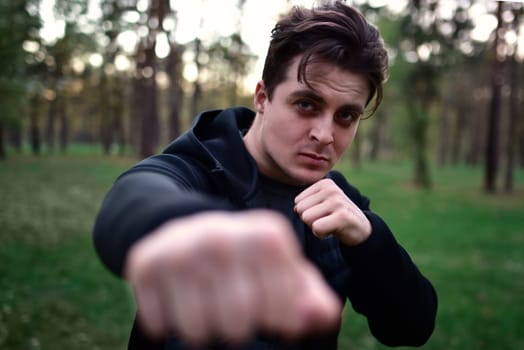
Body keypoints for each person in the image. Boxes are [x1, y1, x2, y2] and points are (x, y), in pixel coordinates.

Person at [93, 1, 438, 349]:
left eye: (346, 116)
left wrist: (369, 237)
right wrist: (193, 229)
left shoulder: (343, 206)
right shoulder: (199, 166)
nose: (325, 134)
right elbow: (133, 197)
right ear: (263, 97)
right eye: (307, 104)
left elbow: (411, 327)